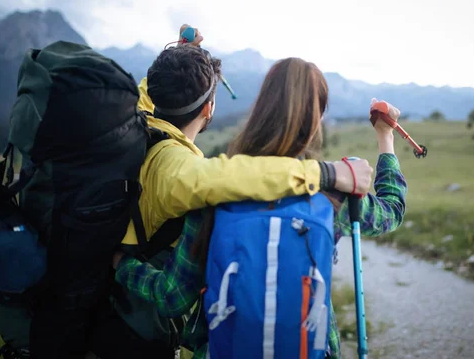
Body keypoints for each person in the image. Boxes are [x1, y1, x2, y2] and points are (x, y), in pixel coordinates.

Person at [89, 27, 373, 359]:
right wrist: (327, 172)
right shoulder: (181, 169)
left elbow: (147, 95)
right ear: (208, 109)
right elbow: (227, 176)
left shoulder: (139, 128)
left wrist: (181, 56)